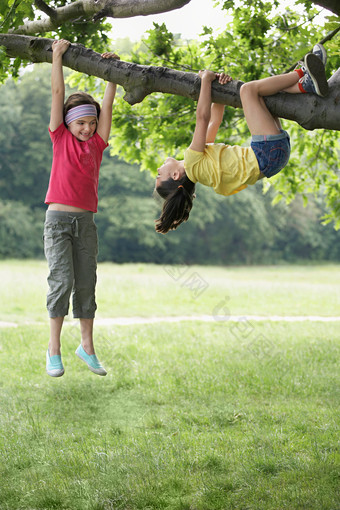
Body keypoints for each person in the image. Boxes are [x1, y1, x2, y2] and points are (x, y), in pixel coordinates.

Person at [154, 44, 329, 234]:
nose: (158, 169)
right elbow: (203, 118)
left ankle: (305, 86)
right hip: (264, 153)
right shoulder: (192, 160)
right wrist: (205, 80)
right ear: (175, 176)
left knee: (267, 95)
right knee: (248, 91)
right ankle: (303, 71)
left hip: (274, 159)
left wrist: (219, 87)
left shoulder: (203, 169)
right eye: (159, 175)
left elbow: (215, 122)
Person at [44, 39, 119, 377]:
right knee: (62, 281)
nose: (87, 128)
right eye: (81, 123)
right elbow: (58, 94)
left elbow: (108, 103)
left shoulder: (98, 145)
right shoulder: (59, 136)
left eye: (91, 122)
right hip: (58, 220)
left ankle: (86, 346)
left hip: (86, 222)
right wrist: (57, 56)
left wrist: (112, 73)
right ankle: (53, 348)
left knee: (86, 282)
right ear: (68, 123)